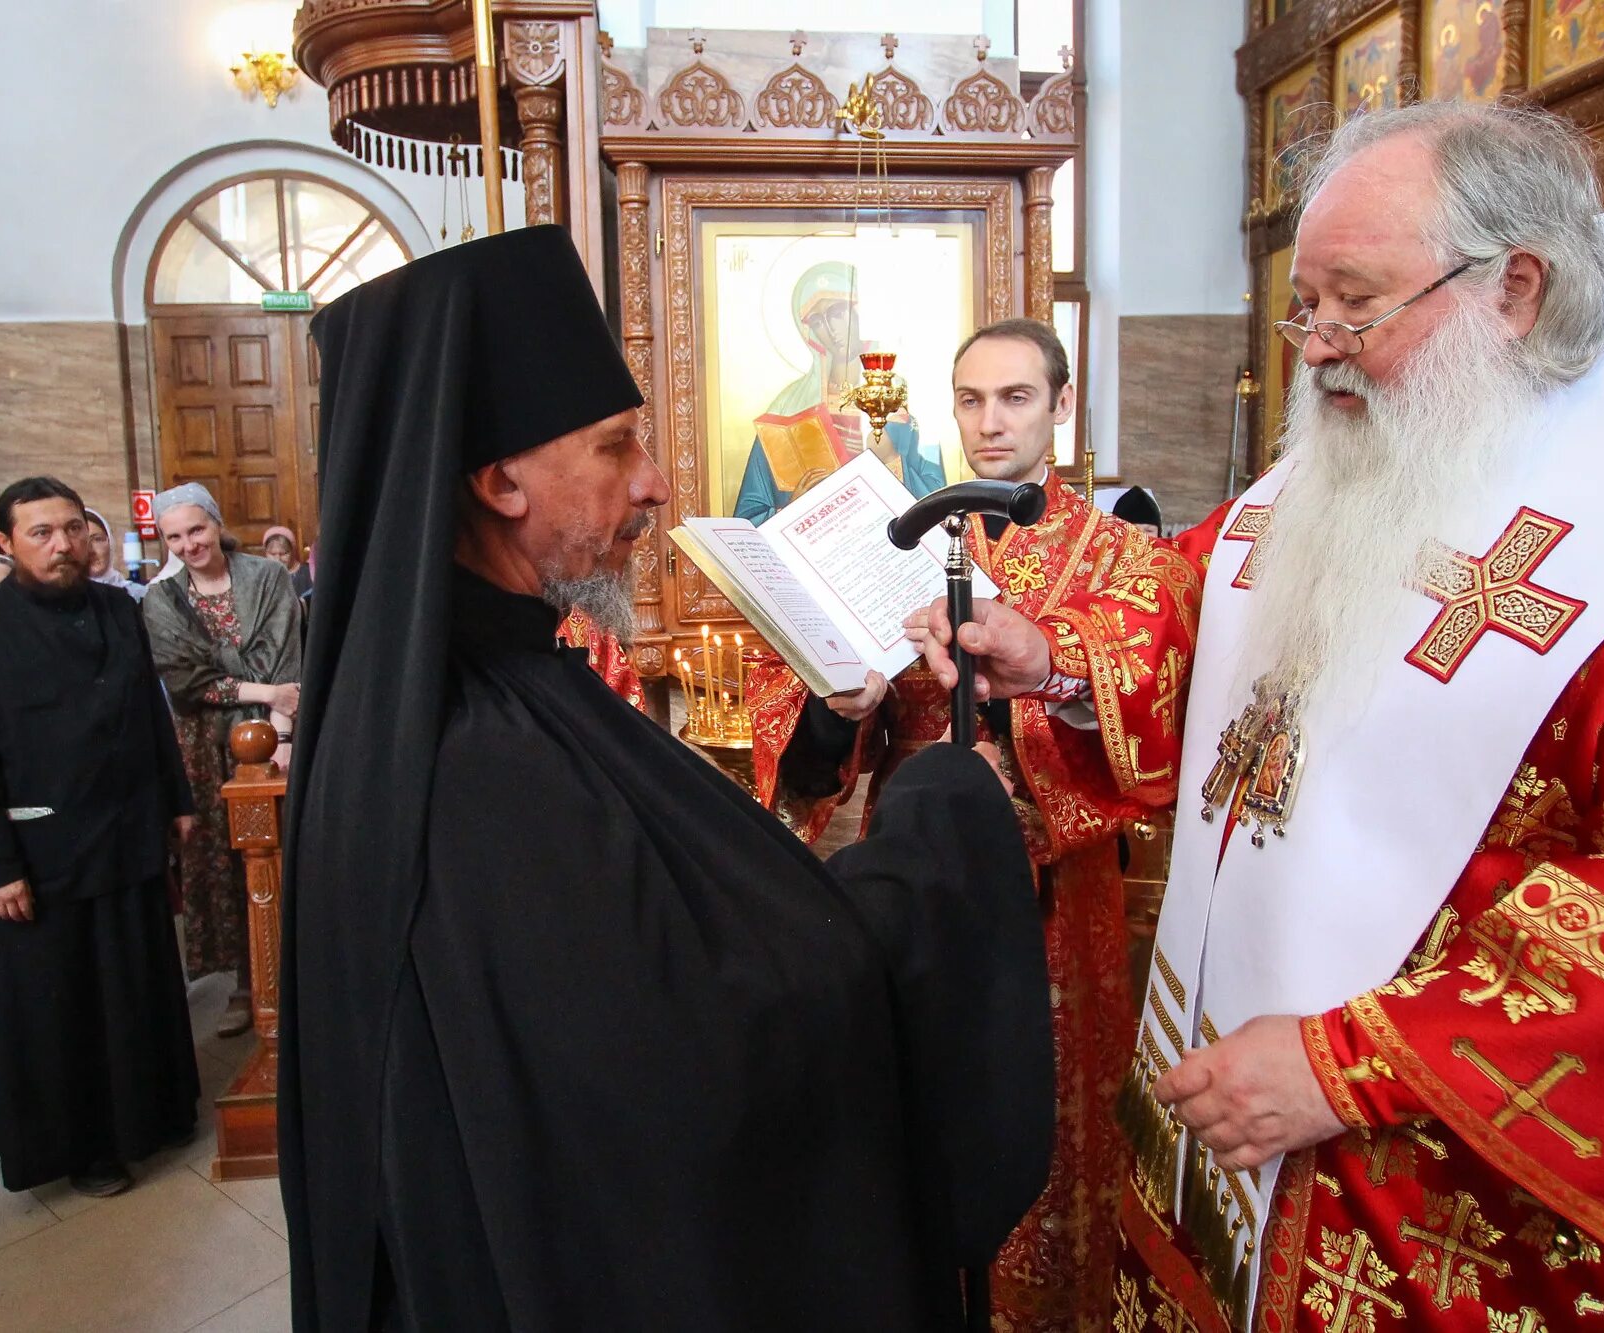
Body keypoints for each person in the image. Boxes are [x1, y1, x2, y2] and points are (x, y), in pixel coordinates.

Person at [923, 102, 1604, 1331]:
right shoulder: (1346, 464)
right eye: (1302, 304)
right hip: (1220, 1101)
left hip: (1449, 1196)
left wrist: (1349, 1059)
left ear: (1514, 289)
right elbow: (1202, 619)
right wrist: (1051, 656)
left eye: (1353, 303)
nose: (1314, 345)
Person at [281, 224, 1056, 1332]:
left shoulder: (452, 697)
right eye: (614, 446)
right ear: (499, 478)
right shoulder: (479, 756)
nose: (652, 483)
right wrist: (944, 820)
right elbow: (718, 1055)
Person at [748, 316, 1200, 1330]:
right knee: (912, 1126)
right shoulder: (886, 543)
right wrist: (838, 703)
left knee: (1046, 1142)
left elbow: (1157, 694)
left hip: (1052, 914)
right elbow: (803, 745)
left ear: (1059, 405)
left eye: (1013, 398)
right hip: (909, 897)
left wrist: (1049, 667)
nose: (988, 421)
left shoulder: (1130, 560)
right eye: (969, 399)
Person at [0, 477, 200, 1199]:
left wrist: (176, 798)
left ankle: (156, 1115)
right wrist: (1, 866)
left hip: (129, 827)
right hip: (45, 850)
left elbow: (150, 708)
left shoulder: (118, 606)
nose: (63, 545)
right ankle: (88, 1148)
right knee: (71, 1006)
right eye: (42, 533)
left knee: (138, 982)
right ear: (5, 543)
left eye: (73, 529)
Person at [144, 484, 302, 1039]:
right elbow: (187, 681)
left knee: (281, 855)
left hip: (276, 738)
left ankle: (296, 982)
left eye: (197, 530)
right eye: (175, 537)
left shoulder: (268, 578)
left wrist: (280, 735)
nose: (189, 544)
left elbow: (288, 664)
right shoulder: (160, 600)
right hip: (203, 746)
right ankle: (244, 984)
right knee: (222, 861)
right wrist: (265, 694)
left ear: (215, 524)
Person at [731, 262, 944, 523]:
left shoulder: (899, 396)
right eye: (818, 320)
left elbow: (939, 498)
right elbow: (749, 515)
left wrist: (889, 459)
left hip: (888, 547)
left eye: (837, 311)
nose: (831, 329)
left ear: (860, 311)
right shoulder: (787, 406)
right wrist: (793, 509)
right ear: (808, 331)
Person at [83, 507, 144, 602]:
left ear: (110, 543)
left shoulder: (135, 594)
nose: (91, 551)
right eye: (83, 542)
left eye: (97, 539)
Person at [261, 524, 312, 600]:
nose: (277, 559)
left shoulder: (307, 574)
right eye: (272, 554)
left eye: (283, 553)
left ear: (293, 551)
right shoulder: (262, 576)